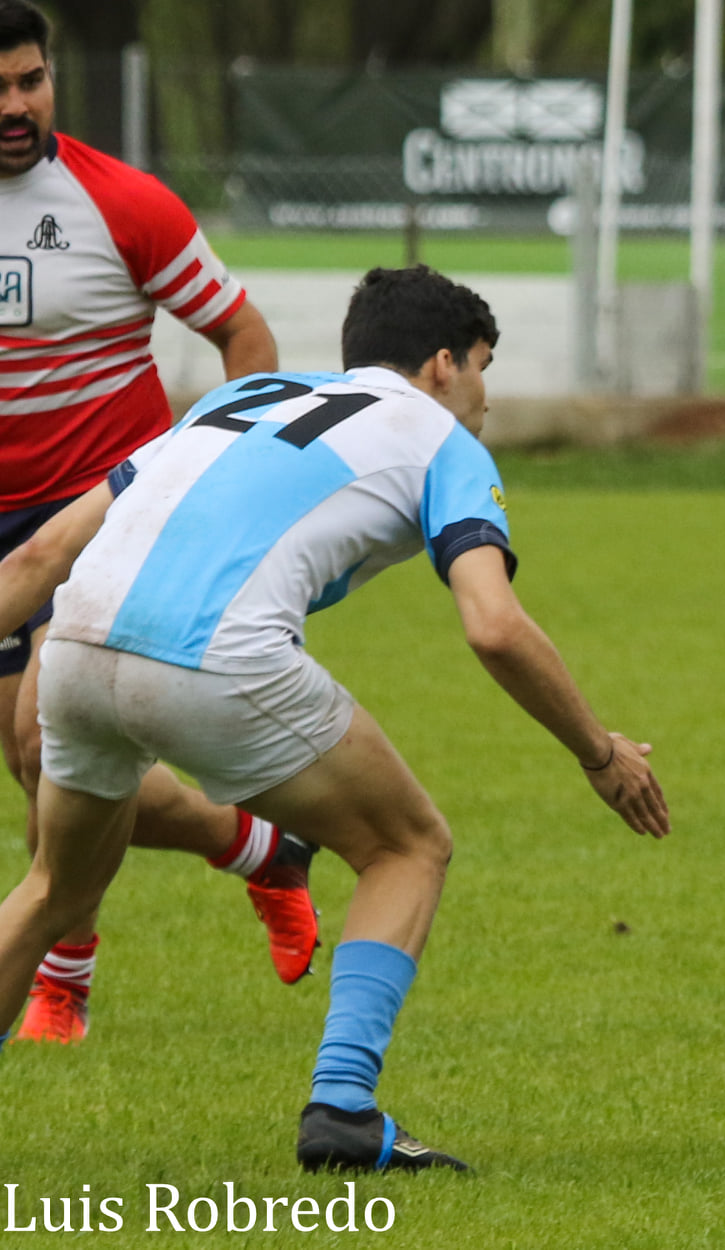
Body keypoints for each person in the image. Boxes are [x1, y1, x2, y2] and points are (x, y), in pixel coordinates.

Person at [0, 265, 670, 1170]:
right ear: (442, 365)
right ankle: (346, 1113)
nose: (484, 397)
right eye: (481, 368)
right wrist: (600, 754)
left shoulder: (242, 398)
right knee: (409, 847)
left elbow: (44, 552)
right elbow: (495, 627)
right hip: (217, 657)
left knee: (53, 892)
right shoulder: (443, 441)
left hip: (73, 651)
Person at [0, 0, 320, 1046]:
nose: (17, 104)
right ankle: (258, 846)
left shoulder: (118, 202)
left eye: (32, 80)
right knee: (55, 779)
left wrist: (224, 483)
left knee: (47, 747)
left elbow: (243, 333)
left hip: (94, 506)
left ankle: (62, 980)